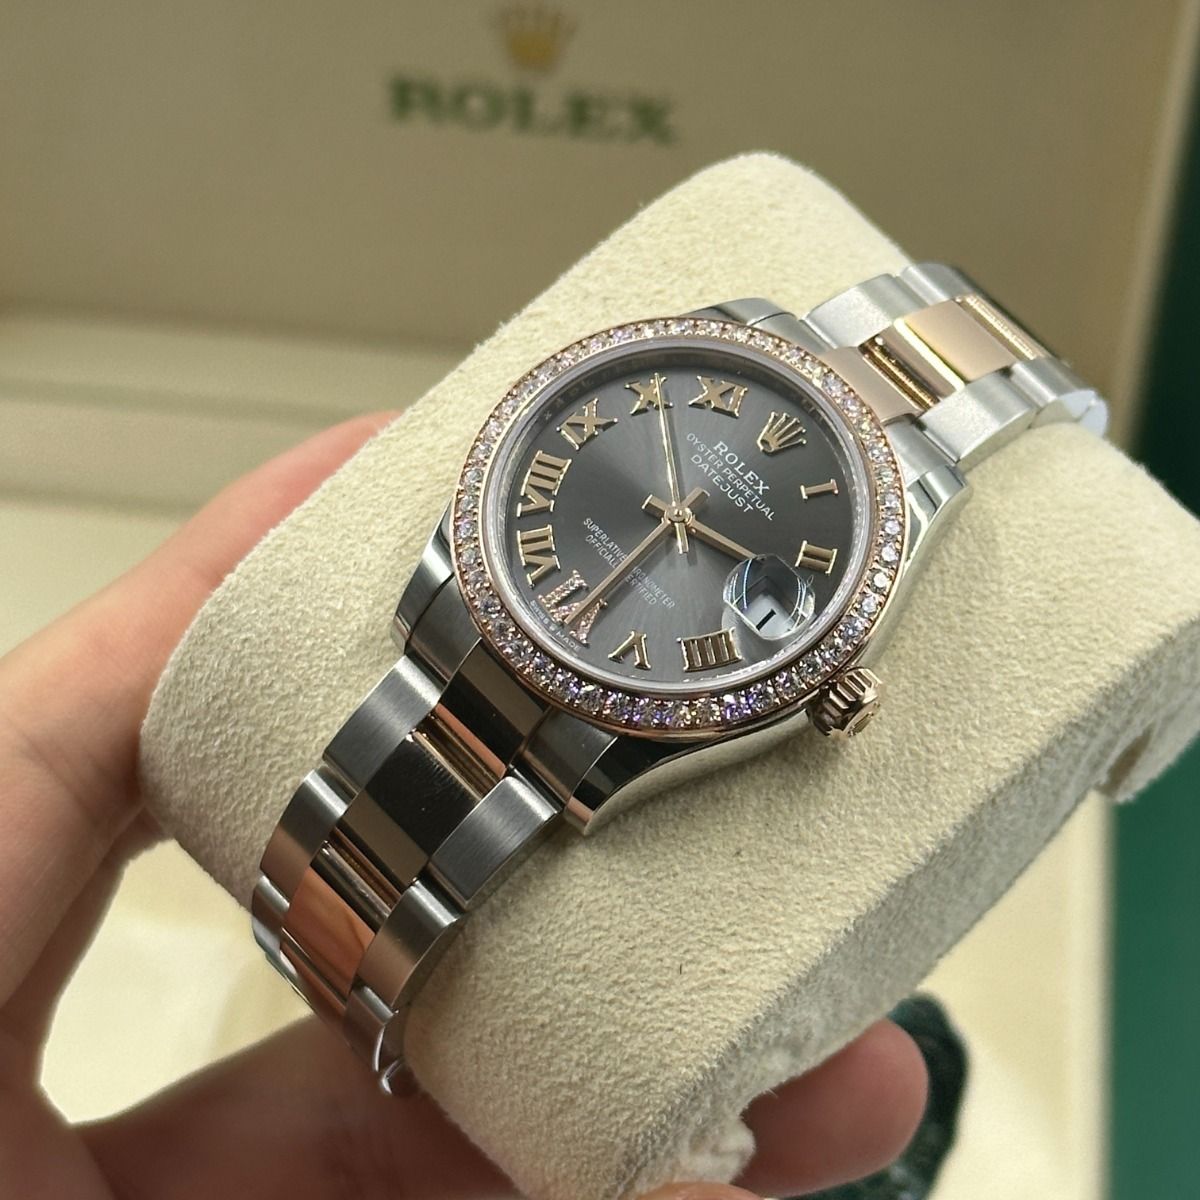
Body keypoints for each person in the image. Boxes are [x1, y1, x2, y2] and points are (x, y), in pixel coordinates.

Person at [0, 415, 928, 1198]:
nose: (685, 513)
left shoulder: (876, 531)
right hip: (483, 623)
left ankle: (333, 952)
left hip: (585, 729)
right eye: (677, 496)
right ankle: (319, 939)